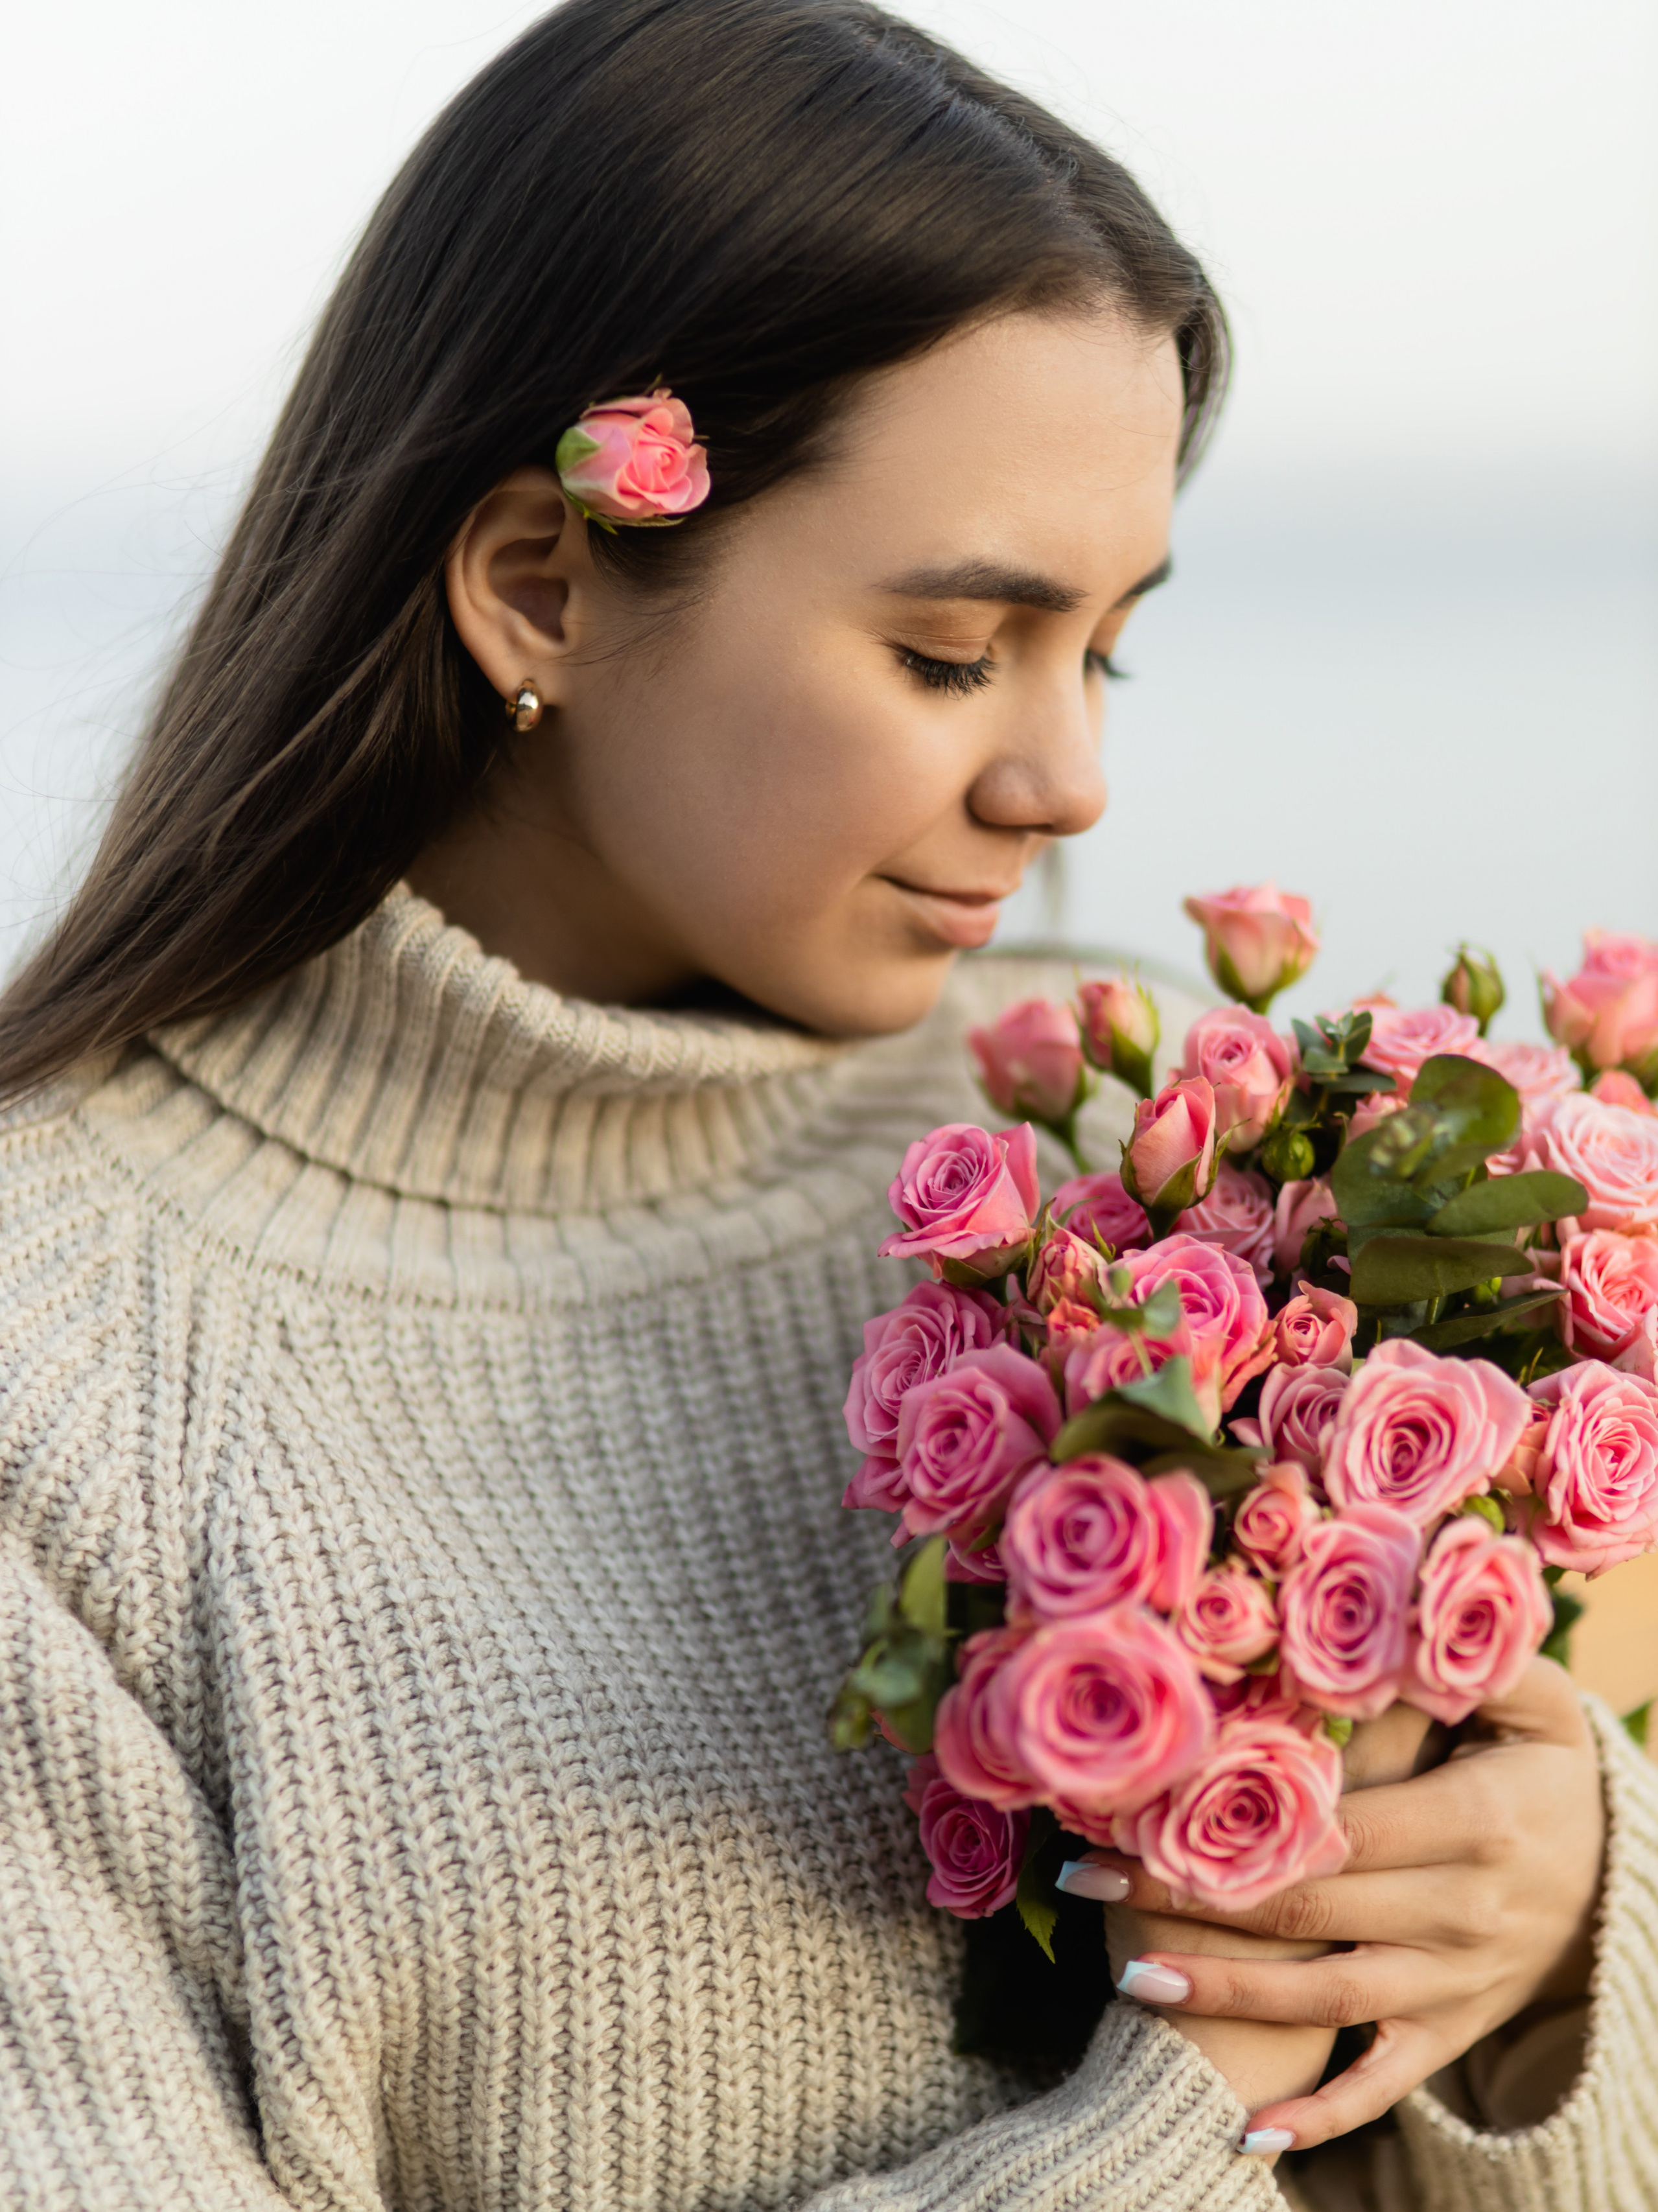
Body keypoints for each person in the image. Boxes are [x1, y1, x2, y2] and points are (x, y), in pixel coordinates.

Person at [0, 4, 1645, 2207]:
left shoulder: (1128, 1163)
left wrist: (1539, 1942)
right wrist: (1190, 2123)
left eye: (1107, 649)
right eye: (957, 652)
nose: (1067, 781)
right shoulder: (62, 1367)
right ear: (544, 585)